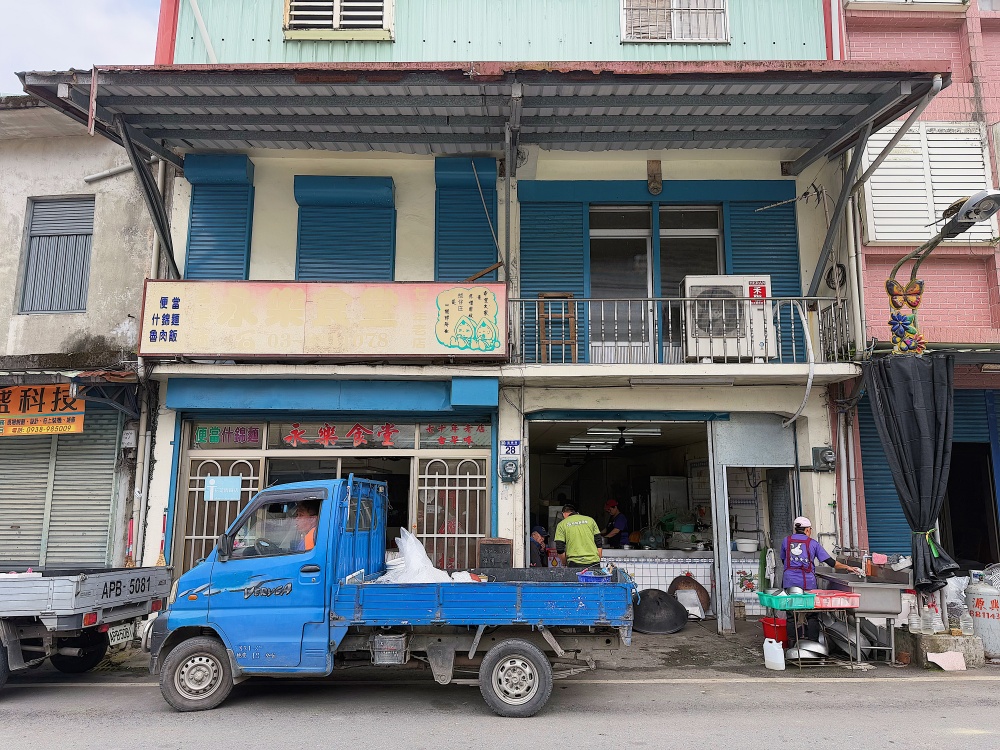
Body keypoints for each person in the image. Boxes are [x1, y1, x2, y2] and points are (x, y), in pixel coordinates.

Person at [781, 516, 862, 642]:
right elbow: (831, 562)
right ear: (807, 530)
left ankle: (792, 645)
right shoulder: (813, 543)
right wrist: (848, 567)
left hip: (790, 581)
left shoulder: (786, 541)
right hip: (808, 583)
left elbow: (783, 560)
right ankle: (812, 644)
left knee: (791, 615)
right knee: (812, 614)